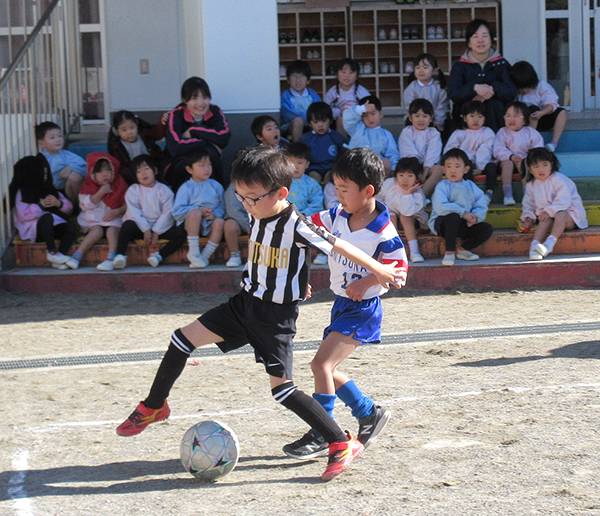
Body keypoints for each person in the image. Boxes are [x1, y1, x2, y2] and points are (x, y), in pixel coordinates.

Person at [115, 146, 406, 482]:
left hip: (273, 318)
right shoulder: (257, 212)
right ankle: (154, 405)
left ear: (280, 193)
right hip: (243, 304)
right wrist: (298, 280)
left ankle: (340, 442)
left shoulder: (297, 224)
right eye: (241, 197)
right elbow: (282, 257)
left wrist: (378, 270)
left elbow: (337, 246)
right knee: (181, 339)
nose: (246, 205)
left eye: (252, 198)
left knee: (283, 390)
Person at [282, 148, 408, 460]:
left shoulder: (384, 233)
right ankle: (369, 413)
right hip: (341, 303)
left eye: (344, 189)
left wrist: (367, 282)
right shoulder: (336, 215)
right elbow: (303, 229)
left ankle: (323, 432)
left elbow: (399, 274)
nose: (337, 195)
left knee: (320, 365)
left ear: (368, 191)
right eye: (335, 188)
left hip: (363, 310)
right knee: (329, 369)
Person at [112, 155, 186, 269]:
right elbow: (134, 211)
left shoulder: (164, 190)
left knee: (180, 234)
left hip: (161, 228)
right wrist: (145, 229)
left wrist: (156, 231)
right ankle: (120, 255)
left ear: (155, 170)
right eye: (139, 171)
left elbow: (168, 212)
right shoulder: (133, 190)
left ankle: (159, 256)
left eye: (146, 169)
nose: (143, 174)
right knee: (127, 226)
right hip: (141, 227)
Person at [447, 19, 517, 132]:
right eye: (475, 36)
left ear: (491, 40)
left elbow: (511, 92)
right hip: (467, 123)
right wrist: (474, 88)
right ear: (469, 42)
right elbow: (453, 93)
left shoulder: (502, 64)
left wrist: (492, 88)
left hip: (497, 122)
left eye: (485, 36)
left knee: (495, 103)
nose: (480, 40)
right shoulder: (460, 66)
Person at [9, 154, 77, 269]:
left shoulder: (50, 189)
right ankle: (52, 251)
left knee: (70, 227)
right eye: (42, 174)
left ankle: (60, 257)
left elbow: (69, 208)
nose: (45, 177)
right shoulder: (23, 192)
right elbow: (23, 215)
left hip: (52, 227)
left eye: (46, 173)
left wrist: (58, 203)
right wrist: (40, 206)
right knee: (47, 217)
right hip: (33, 230)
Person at [428, 148, 493, 266]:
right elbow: (440, 207)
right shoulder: (442, 186)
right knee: (453, 216)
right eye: (449, 166)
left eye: (457, 166)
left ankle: (464, 250)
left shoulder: (471, 186)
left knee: (487, 228)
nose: (453, 170)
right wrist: (462, 213)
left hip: (463, 224)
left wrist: (475, 217)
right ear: (443, 169)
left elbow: (481, 203)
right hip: (444, 224)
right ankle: (449, 252)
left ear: (466, 169)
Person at [165, 76, 230, 192]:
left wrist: (194, 130)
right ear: (185, 100)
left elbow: (224, 138)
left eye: (204, 97)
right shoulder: (176, 115)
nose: (201, 103)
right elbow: (175, 147)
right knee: (201, 156)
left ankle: (219, 199)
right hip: (181, 164)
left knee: (211, 157)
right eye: (194, 98)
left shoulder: (215, 111)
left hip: (210, 161)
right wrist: (209, 143)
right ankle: (181, 205)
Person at [521, 147, 587, 261]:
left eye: (545, 165)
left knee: (560, 214)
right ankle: (534, 248)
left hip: (569, 215)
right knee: (543, 220)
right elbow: (529, 204)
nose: (541, 169)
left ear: (551, 165)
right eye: (536, 166)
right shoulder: (531, 185)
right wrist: (528, 218)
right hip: (548, 216)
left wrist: (548, 211)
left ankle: (548, 245)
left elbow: (563, 201)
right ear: (530, 169)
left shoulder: (559, 179)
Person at [65, 152, 127, 271]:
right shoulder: (88, 184)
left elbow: (127, 203)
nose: (105, 174)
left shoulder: (119, 183)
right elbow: (85, 204)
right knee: (96, 231)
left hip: (113, 217)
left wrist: (117, 211)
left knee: (111, 230)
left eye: (109, 170)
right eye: (100, 171)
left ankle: (111, 257)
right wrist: (100, 193)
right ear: (93, 172)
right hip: (94, 218)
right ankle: (77, 255)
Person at [173, 147, 225, 269]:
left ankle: (204, 256)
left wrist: (214, 214)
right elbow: (177, 212)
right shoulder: (186, 188)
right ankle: (194, 251)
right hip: (191, 224)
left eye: (209, 165)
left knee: (220, 222)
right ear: (189, 169)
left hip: (209, 223)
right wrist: (198, 210)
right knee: (195, 213)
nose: (207, 169)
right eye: (202, 165)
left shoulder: (215, 186)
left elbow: (222, 207)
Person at [444, 101, 498, 204]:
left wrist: (481, 168)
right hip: (465, 164)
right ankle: (469, 193)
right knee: (466, 167)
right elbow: (451, 150)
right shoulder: (459, 133)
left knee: (492, 167)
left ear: (485, 118)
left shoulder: (487, 132)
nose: (475, 120)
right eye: (472, 116)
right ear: (465, 118)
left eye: (480, 116)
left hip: (484, 163)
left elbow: (486, 150)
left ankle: (488, 194)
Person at [378, 157, 428, 263]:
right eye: (401, 175)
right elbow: (379, 198)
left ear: (416, 178)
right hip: (393, 220)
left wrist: (407, 194)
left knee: (404, 216)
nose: (405, 179)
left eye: (410, 176)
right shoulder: (389, 184)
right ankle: (392, 249)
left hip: (414, 221)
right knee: (389, 213)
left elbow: (406, 211)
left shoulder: (417, 193)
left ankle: (414, 251)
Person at [493, 101, 544, 206]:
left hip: (525, 162)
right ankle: (507, 195)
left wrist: (529, 158)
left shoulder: (530, 132)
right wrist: (511, 156)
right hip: (506, 162)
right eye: (508, 116)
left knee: (523, 162)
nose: (511, 119)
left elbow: (538, 149)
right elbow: (498, 149)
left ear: (524, 120)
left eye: (515, 116)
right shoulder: (503, 132)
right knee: (508, 163)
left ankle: (527, 193)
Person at [510, 60, 567, 153]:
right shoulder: (515, 92)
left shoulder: (541, 85)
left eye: (526, 87)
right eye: (521, 88)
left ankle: (553, 144)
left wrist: (542, 112)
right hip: (525, 123)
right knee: (532, 110)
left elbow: (551, 102)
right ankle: (529, 144)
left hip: (543, 117)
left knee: (562, 112)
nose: (524, 90)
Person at [285, 142, 326, 265]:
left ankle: (321, 252)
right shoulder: (280, 183)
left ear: (307, 164)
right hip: (285, 217)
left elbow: (316, 204)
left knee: (318, 226)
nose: (295, 167)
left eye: (300, 163)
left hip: (306, 218)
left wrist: (302, 214)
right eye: (291, 162)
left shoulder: (312, 184)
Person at [343, 95, 400, 177]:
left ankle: (381, 188)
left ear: (381, 114)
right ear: (361, 117)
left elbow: (393, 155)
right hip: (358, 166)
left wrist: (393, 171)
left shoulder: (386, 134)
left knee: (387, 163)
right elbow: (347, 118)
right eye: (366, 115)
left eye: (373, 114)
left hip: (376, 168)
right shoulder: (356, 129)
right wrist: (361, 109)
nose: (370, 118)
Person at [107, 110, 169, 185]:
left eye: (132, 128)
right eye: (124, 130)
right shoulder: (117, 147)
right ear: (117, 132)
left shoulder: (143, 133)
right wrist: (136, 177)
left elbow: (157, 133)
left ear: (137, 126)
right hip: (134, 176)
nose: (129, 132)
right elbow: (120, 167)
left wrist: (162, 122)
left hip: (154, 168)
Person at [398, 98, 444, 196]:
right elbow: (409, 152)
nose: (421, 120)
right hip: (411, 164)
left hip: (428, 165)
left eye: (425, 116)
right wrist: (417, 170)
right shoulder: (407, 132)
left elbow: (433, 151)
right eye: (417, 116)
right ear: (410, 117)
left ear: (431, 118)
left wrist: (426, 170)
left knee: (438, 170)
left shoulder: (434, 133)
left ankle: (421, 196)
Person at [35, 121, 87, 204]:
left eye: (59, 136)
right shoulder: (40, 159)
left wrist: (71, 168)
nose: (57, 140)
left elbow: (85, 167)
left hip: (67, 191)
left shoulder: (67, 155)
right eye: (52, 138)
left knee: (75, 176)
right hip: (49, 193)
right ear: (41, 144)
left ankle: (77, 206)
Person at [301, 101, 346, 185]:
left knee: (329, 179)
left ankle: (329, 198)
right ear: (310, 123)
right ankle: (314, 198)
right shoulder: (306, 139)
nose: (320, 125)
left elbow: (343, 154)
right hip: (313, 168)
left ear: (330, 121)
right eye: (315, 122)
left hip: (331, 168)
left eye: (324, 121)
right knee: (313, 180)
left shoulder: (336, 137)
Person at [403, 53, 449, 134]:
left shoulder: (439, 87)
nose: (421, 70)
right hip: (416, 122)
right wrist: (417, 119)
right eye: (418, 68)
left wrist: (436, 122)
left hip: (435, 123)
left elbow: (442, 106)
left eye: (425, 67)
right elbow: (409, 106)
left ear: (435, 70)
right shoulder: (411, 88)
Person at [324, 58, 370, 135]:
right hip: (339, 119)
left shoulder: (361, 91)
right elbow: (325, 108)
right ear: (337, 74)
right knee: (341, 119)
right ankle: (342, 143)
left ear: (356, 76)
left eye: (351, 72)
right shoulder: (333, 92)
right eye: (343, 72)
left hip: (357, 117)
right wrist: (339, 112)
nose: (347, 76)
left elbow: (369, 105)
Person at [280, 60, 321, 142]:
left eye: (302, 77)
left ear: (308, 80)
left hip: (311, 123)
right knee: (298, 121)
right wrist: (308, 117)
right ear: (288, 80)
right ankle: (298, 148)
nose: (298, 80)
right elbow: (288, 114)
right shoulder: (285, 95)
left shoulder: (312, 94)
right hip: (291, 125)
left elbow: (318, 109)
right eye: (294, 76)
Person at [223, 182, 249, 268]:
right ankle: (235, 255)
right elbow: (233, 211)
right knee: (229, 225)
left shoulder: (264, 183)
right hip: (241, 222)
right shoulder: (234, 186)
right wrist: (247, 227)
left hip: (260, 219)